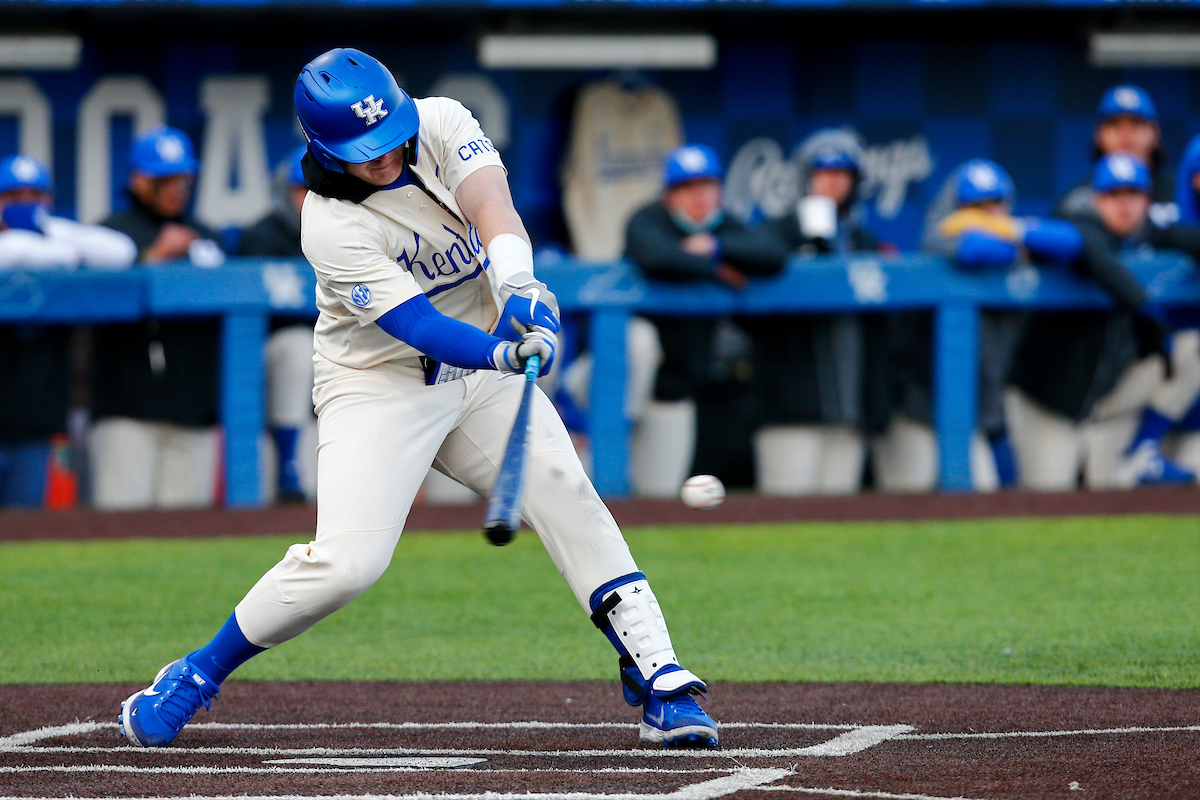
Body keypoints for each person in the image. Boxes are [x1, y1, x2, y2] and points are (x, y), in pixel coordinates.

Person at [118, 48, 717, 751]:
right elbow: (420, 328)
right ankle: (195, 674)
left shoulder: (439, 122)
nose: (384, 157)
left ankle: (660, 676)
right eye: (363, 151)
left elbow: (492, 204)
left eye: (388, 137)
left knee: (565, 491)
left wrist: (521, 287)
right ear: (324, 149)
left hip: (482, 373)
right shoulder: (328, 223)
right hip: (378, 386)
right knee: (349, 565)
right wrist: (502, 349)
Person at [1009, 152, 1200, 489]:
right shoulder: (1079, 221)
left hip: (1108, 397)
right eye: (1114, 195)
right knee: (1048, 499)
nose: (1124, 204)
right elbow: (1101, 262)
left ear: (1147, 200)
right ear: (1096, 198)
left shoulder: (1147, 232)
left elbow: (1186, 239)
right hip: (1051, 398)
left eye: (1133, 194)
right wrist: (1147, 311)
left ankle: (1142, 449)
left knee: (1190, 346)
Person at [894, 159, 1084, 493]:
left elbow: (1071, 242)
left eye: (994, 205)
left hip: (971, 412)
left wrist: (1012, 230)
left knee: (979, 499)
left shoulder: (1008, 235)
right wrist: (1015, 241)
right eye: (975, 207)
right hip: (915, 409)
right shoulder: (942, 234)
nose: (987, 213)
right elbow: (973, 249)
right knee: (903, 503)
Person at [623, 144, 788, 496]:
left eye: (706, 186)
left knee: (656, 500)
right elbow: (655, 257)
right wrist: (715, 270)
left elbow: (773, 255)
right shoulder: (649, 218)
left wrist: (715, 248)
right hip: (619, 391)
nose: (698, 196)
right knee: (638, 341)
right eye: (686, 188)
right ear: (669, 194)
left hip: (674, 391)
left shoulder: (725, 226)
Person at [91, 126, 227, 509]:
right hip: (126, 410)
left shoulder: (206, 235)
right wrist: (153, 258)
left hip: (194, 410)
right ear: (137, 180)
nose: (175, 186)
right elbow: (97, 297)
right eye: (162, 178)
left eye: (182, 177)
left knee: (186, 538)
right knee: (120, 533)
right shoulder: (109, 235)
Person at [747, 129, 886, 495]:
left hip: (850, 405)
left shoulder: (864, 242)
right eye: (821, 173)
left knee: (839, 519)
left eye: (842, 174)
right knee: (785, 517)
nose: (831, 183)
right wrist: (808, 240)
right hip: (791, 405)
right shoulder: (776, 233)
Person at [0, 155, 136, 506]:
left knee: (26, 538)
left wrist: (48, 229)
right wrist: (52, 250)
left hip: (34, 424)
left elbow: (123, 252)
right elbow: (12, 251)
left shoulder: (58, 237)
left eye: (35, 196)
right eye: (14, 197)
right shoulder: (47, 251)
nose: (25, 206)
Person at [238, 144, 318, 503]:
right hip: (271, 357)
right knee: (299, 345)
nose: (312, 197)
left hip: (334, 358)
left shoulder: (354, 230)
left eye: (320, 187)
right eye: (302, 189)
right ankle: (287, 462)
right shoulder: (263, 234)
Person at [1057, 84, 1177, 227]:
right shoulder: (1077, 200)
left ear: (1155, 132)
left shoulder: (1181, 189)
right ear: (1098, 134)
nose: (1125, 135)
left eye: (1136, 124)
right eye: (1114, 125)